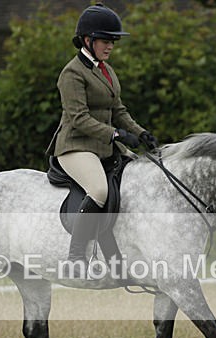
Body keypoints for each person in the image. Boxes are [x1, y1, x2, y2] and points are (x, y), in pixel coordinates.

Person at [47, 3, 158, 274]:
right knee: (98, 190)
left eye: (113, 41)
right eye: (106, 41)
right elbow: (79, 118)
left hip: (103, 146)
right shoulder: (72, 74)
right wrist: (117, 134)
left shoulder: (106, 69)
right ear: (88, 40)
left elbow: (118, 110)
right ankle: (75, 257)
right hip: (75, 146)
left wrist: (141, 132)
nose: (110, 46)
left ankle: (117, 254)